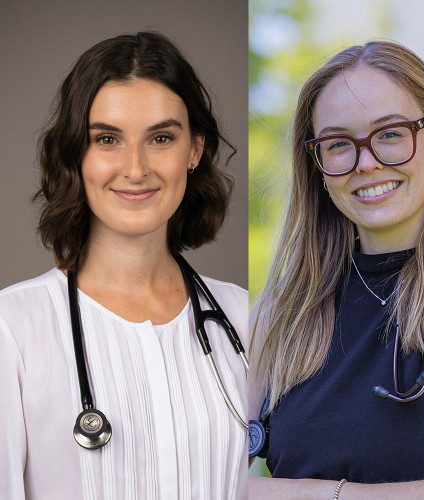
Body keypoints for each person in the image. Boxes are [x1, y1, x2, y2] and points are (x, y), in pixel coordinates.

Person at [0, 32, 247, 499]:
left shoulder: (246, 320)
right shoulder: (12, 330)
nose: (135, 169)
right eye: (108, 139)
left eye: (160, 138)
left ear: (194, 150)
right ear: (77, 153)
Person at [248, 40, 424, 498]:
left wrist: (306, 494)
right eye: (339, 144)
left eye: (390, 134)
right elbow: (204, 477)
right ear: (318, 166)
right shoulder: (280, 312)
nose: (366, 163)